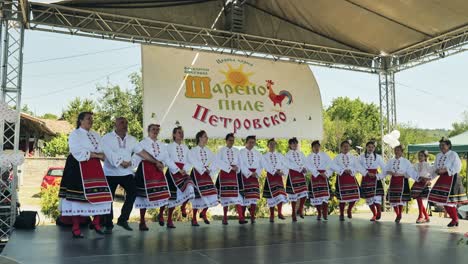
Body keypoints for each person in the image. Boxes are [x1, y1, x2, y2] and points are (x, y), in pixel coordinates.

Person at [59, 112, 112, 238]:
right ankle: (75, 227)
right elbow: (77, 151)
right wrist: (96, 155)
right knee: (77, 197)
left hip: (94, 168)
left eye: (92, 119)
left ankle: (96, 222)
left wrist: (100, 155)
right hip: (78, 167)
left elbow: (102, 149)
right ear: (81, 120)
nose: (91, 121)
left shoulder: (96, 134)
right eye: (88, 118)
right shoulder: (75, 134)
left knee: (101, 195)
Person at [101, 117, 150, 233]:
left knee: (133, 192)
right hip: (110, 172)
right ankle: (108, 224)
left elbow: (141, 152)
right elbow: (106, 154)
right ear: (115, 124)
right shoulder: (107, 138)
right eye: (122, 122)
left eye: (126, 122)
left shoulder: (132, 139)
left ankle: (123, 219)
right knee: (108, 198)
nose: (125, 124)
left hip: (126, 172)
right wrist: (120, 162)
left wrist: (156, 161)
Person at [133, 124, 172, 230]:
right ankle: (142, 221)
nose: (155, 131)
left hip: (158, 170)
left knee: (164, 194)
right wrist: (129, 170)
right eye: (153, 129)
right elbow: (135, 158)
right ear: (148, 131)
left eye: (157, 130)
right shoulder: (142, 143)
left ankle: (160, 214)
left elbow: (166, 158)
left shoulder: (162, 145)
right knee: (144, 197)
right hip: (145, 172)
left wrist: (164, 164)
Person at [428, 138, 468, 227]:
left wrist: (446, 170)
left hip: (452, 178)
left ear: (449, 145)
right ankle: (455, 219)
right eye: (440, 145)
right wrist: (430, 178)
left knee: (448, 201)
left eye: (443, 145)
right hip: (442, 179)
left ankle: (454, 219)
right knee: (442, 201)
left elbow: (458, 167)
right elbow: (434, 169)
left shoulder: (453, 154)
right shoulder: (438, 155)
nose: (441, 147)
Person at [163, 126, 195, 228]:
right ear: (174, 135)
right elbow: (166, 159)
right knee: (171, 196)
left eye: (182, 132)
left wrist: (185, 169)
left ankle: (183, 206)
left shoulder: (186, 148)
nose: (181, 134)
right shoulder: (168, 146)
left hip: (183, 171)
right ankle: (167, 219)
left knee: (190, 186)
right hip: (173, 171)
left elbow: (190, 160)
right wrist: (176, 169)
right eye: (179, 132)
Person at [213, 133, 246, 225]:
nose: (231, 142)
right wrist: (229, 167)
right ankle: (224, 217)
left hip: (234, 176)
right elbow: (217, 161)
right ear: (226, 140)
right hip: (224, 174)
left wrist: (237, 168)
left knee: (237, 196)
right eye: (230, 140)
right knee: (225, 196)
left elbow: (240, 162)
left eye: (233, 140)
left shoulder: (237, 150)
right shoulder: (221, 150)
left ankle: (241, 217)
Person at [188, 130, 218, 226]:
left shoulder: (208, 150)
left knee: (212, 193)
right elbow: (192, 160)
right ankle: (194, 219)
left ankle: (204, 212)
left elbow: (215, 161)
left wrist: (209, 169)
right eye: (205, 136)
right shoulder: (193, 150)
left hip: (205, 174)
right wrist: (202, 168)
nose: (207, 138)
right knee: (198, 196)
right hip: (197, 173)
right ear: (200, 138)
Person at [331, 140, 362, 221]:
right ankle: (341, 214)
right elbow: (332, 165)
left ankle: (349, 210)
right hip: (341, 178)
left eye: (347, 146)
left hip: (351, 177)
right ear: (341, 148)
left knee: (355, 195)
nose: (346, 148)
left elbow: (357, 166)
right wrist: (342, 170)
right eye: (344, 146)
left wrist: (351, 170)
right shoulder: (337, 157)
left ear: (349, 147)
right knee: (342, 197)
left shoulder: (353, 157)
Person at [384, 145, 415, 223]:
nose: (397, 152)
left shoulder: (406, 161)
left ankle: (399, 214)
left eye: (398, 150)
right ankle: (397, 214)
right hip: (393, 181)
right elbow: (386, 170)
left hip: (402, 181)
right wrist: (390, 172)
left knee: (401, 199)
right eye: (395, 150)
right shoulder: (391, 161)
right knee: (393, 199)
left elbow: (410, 172)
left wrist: (401, 174)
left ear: (402, 152)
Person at [358, 140, 386, 222]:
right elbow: (357, 166)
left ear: (374, 148)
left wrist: (378, 176)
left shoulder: (378, 157)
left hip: (375, 178)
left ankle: (379, 211)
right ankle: (374, 214)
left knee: (377, 197)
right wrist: (366, 172)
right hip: (366, 178)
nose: (370, 148)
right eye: (369, 147)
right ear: (366, 147)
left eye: (372, 147)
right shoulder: (361, 157)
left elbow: (384, 168)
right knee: (369, 198)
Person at [262, 138, 288, 223]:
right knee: (271, 197)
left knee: (280, 195)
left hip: (278, 177)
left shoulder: (280, 155)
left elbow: (284, 164)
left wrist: (282, 172)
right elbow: (265, 166)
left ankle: (280, 213)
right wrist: (275, 171)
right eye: (271, 144)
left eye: (274, 144)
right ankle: (272, 215)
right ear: (268, 145)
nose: (272, 145)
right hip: (270, 176)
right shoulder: (264, 156)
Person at [305, 140, 332, 221]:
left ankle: (325, 213)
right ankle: (319, 213)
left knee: (325, 196)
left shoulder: (324, 155)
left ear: (319, 147)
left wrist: (326, 174)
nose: (316, 148)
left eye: (318, 146)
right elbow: (308, 166)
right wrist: (317, 173)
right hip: (315, 177)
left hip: (323, 177)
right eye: (314, 146)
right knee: (316, 197)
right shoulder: (309, 157)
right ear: (312, 148)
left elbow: (331, 164)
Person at [239, 135, 263, 224]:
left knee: (254, 197)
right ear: (246, 142)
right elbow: (240, 164)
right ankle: (242, 217)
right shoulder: (241, 152)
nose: (251, 144)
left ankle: (253, 216)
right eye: (250, 142)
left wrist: (257, 173)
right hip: (245, 176)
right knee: (244, 197)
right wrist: (249, 173)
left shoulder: (258, 153)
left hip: (254, 176)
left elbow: (261, 165)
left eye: (253, 142)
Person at [411, 150, 433, 224]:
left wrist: (429, 179)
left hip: (424, 183)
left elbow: (432, 172)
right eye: (419, 155)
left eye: (422, 156)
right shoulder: (416, 165)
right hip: (418, 182)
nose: (420, 157)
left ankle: (421, 216)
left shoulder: (427, 164)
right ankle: (426, 216)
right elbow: (413, 173)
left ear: (425, 157)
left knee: (419, 199)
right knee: (418, 199)